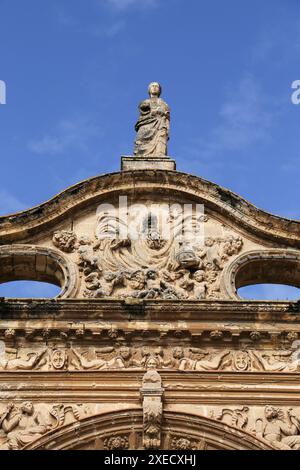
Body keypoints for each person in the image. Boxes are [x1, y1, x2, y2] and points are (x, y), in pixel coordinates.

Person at [134, 82, 170, 158]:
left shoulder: (164, 104)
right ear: (149, 90)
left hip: (160, 124)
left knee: (160, 138)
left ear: (159, 91)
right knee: (141, 140)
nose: (154, 88)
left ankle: (159, 154)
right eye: (152, 86)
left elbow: (167, 116)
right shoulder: (145, 102)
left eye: (156, 86)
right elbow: (142, 109)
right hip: (146, 124)